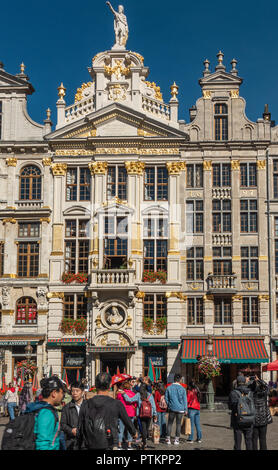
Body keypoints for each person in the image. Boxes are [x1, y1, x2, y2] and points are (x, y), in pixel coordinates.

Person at [77, 372, 137, 450]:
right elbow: (128, 422)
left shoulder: (85, 404)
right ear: (109, 385)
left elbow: (80, 427)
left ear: (95, 385)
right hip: (110, 444)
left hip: (90, 444)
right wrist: (134, 433)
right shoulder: (116, 404)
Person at [24, 376, 65, 450]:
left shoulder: (36, 407)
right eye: (62, 393)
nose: (63, 396)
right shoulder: (46, 412)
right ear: (54, 393)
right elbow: (43, 444)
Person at [121, 382, 157, 450]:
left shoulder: (138, 395)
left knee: (142, 429)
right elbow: (153, 406)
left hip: (141, 414)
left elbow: (130, 400)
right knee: (146, 429)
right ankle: (144, 443)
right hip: (149, 414)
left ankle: (144, 443)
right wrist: (155, 414)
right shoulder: (150, 395)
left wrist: (124, 394)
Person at [228, 375, 255, 450]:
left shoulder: (233, 393)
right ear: (244, 382)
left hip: (238, 420)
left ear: (237, 382)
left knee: (237, 442)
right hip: (249, 419)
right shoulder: (250, 392)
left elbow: (230, 407)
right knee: (249, 441)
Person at [61, 381, 86, 450]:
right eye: (73, 391)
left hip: (85, 442)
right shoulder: (66, 408)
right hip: (71, 443)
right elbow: (63, 424)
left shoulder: (89, 406)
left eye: (77, 391)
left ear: (83, 392)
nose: (74, 393)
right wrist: (71, 430)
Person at [248, 376, 271, 450]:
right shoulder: (263, 394)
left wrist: (248, 380)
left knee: (254, 439)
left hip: (254, 420)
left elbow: (246, 388)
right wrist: (260, 380)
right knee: (263, 439)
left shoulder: (251, 394)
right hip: (263, 419)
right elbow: (267, 387)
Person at [165, 373, 188, 446]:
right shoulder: (182, 388)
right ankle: (176, 440)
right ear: (180, 379)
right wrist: (185, 409)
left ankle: (168, 439)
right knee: (178, 424)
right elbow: (185, 400)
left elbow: (166, 398)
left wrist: (169, 404)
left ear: (174, 379)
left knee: (170, 423)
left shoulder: (169, 387)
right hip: (180, 409)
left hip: (172, 408)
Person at [116, 380, 137, 449]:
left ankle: (119, 445)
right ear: (129, 387)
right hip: (130, 413)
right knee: (130, 429)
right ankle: (129, 445)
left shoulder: (119, 394)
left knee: (120, 430)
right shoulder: (132, 394)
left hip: (122, 413)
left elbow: (117, 403)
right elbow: (135, 404)